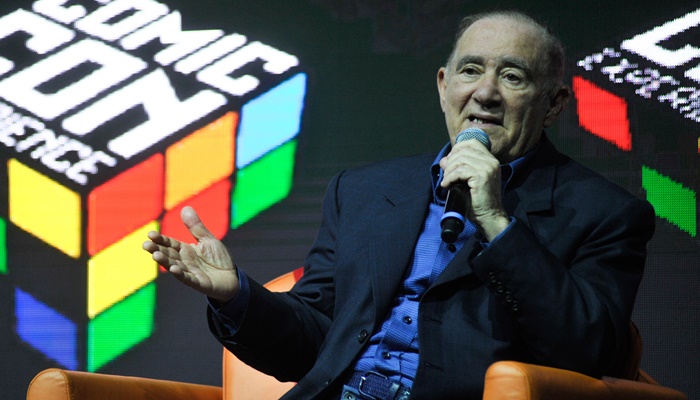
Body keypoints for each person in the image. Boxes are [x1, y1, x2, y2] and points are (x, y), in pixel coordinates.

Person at [143, 10, 655, 399]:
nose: (486, 93)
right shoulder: (362, 191)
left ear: (554, 104)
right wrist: (236, 296)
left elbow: (592, 354)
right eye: (470, 70)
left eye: (513, 77)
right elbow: (313, 342)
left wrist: (499, 225)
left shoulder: (603, 213)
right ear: (443, 86)